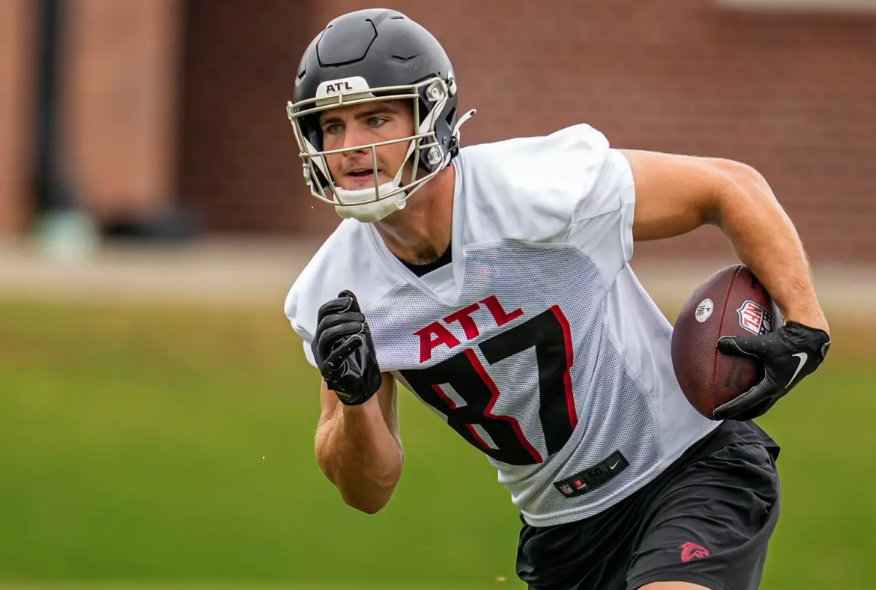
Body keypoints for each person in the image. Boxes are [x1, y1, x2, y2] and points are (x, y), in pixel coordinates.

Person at [283, 9, 831, 590]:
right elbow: (370, 491)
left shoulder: (536, 190)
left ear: (433, 117)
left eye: (375, 119)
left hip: (689, 465)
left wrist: (805, 323)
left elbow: (727, 186)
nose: (350, 147)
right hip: (561, 532)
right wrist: (353, 398)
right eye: (332, 126)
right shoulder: (334, 291)